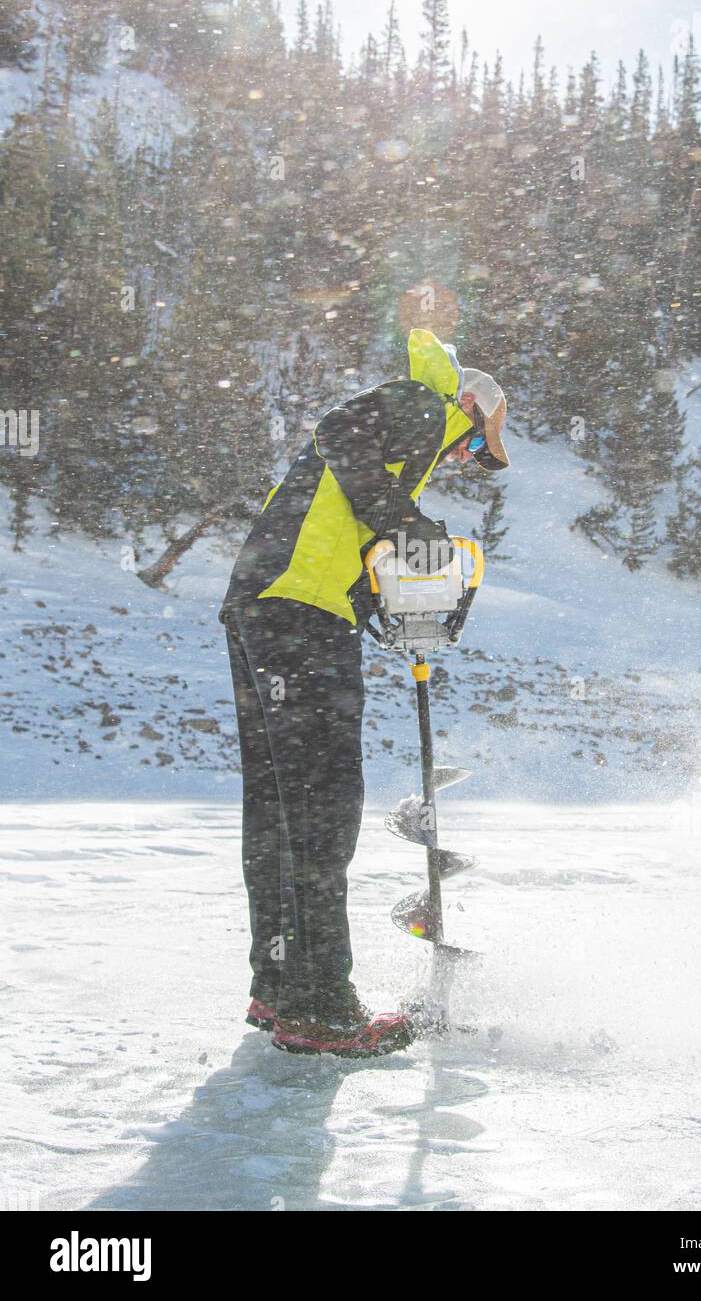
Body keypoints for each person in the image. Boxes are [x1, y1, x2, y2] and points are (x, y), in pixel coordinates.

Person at [219, 327, 510, 1057]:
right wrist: (405, 519)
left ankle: (280, 985)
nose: (462, 460)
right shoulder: (423, 402)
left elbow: (330, 512)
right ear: (470, 408)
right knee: (324, 806)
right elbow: (336, 432)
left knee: (280, 808)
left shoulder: (396, 452)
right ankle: (318, 1008)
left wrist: (371, 596)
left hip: (267, 604)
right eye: (475, 447)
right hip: (296, 616)